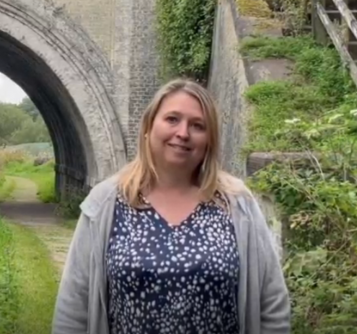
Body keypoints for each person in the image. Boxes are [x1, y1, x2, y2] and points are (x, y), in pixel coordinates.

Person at [52, 79, 290, 334]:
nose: (183, 133)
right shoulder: (106, 202)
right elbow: (74, 306)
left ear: (210, 139)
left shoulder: (237, 203)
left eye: (197, 125)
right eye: (172, 119)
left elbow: (272, 303)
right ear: (148, 127)